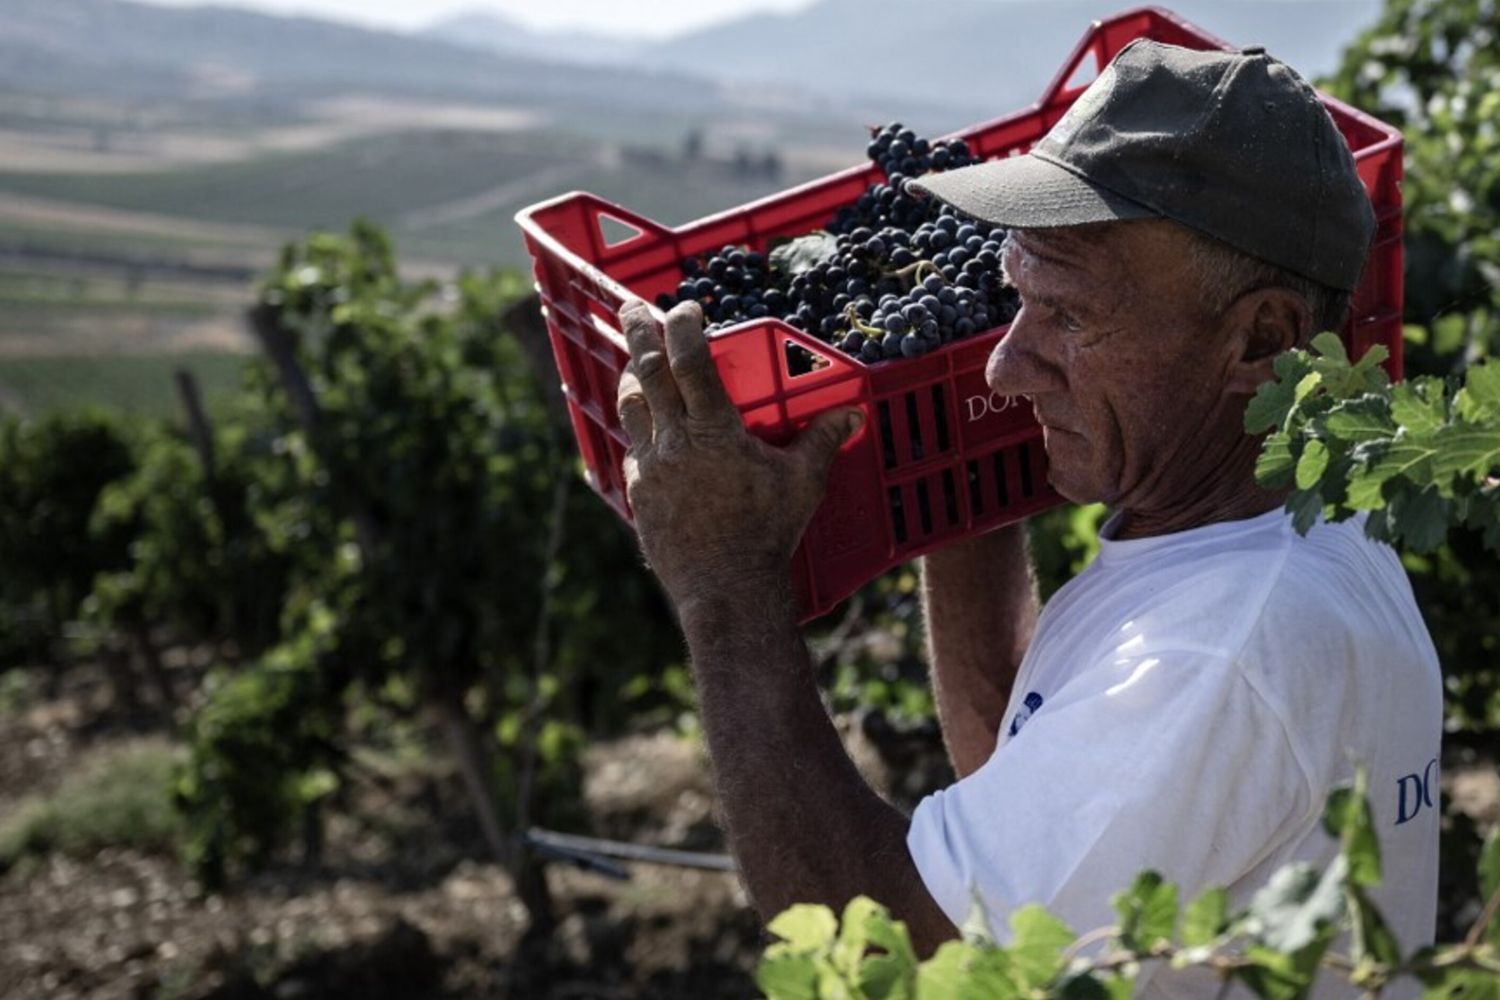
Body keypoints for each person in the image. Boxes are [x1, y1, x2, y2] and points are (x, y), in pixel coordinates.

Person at [612, 39, 1441, 996]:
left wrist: (725, 585)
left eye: (1070, 318)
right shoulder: (1267, 541)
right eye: (1018, 298)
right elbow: (1047, 793)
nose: (1004, 365)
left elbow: (910, 957)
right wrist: (961, 503)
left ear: (1262, 340)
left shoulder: (1223, 649)